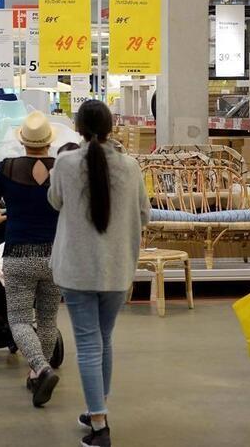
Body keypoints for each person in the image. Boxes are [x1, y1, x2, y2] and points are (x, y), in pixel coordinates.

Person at [48, 100, 150, 447]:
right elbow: (144, 214)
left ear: (77, 128)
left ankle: (99, 424)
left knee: (90, 344)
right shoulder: (130, 166)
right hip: (118, 268)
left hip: (77, 269)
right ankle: (97, 408)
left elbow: (55, 201)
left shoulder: (64, 163)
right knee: (104, 340)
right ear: (111, 127)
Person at [0, 111, 62, 408]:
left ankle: (41, 368)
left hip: (19, 255)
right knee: (48, 319)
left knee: (17, 318)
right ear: (48, 142)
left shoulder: (8, 168)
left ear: (24, 142)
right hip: (56, 255)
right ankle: (35, 374)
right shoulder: (63, 168)